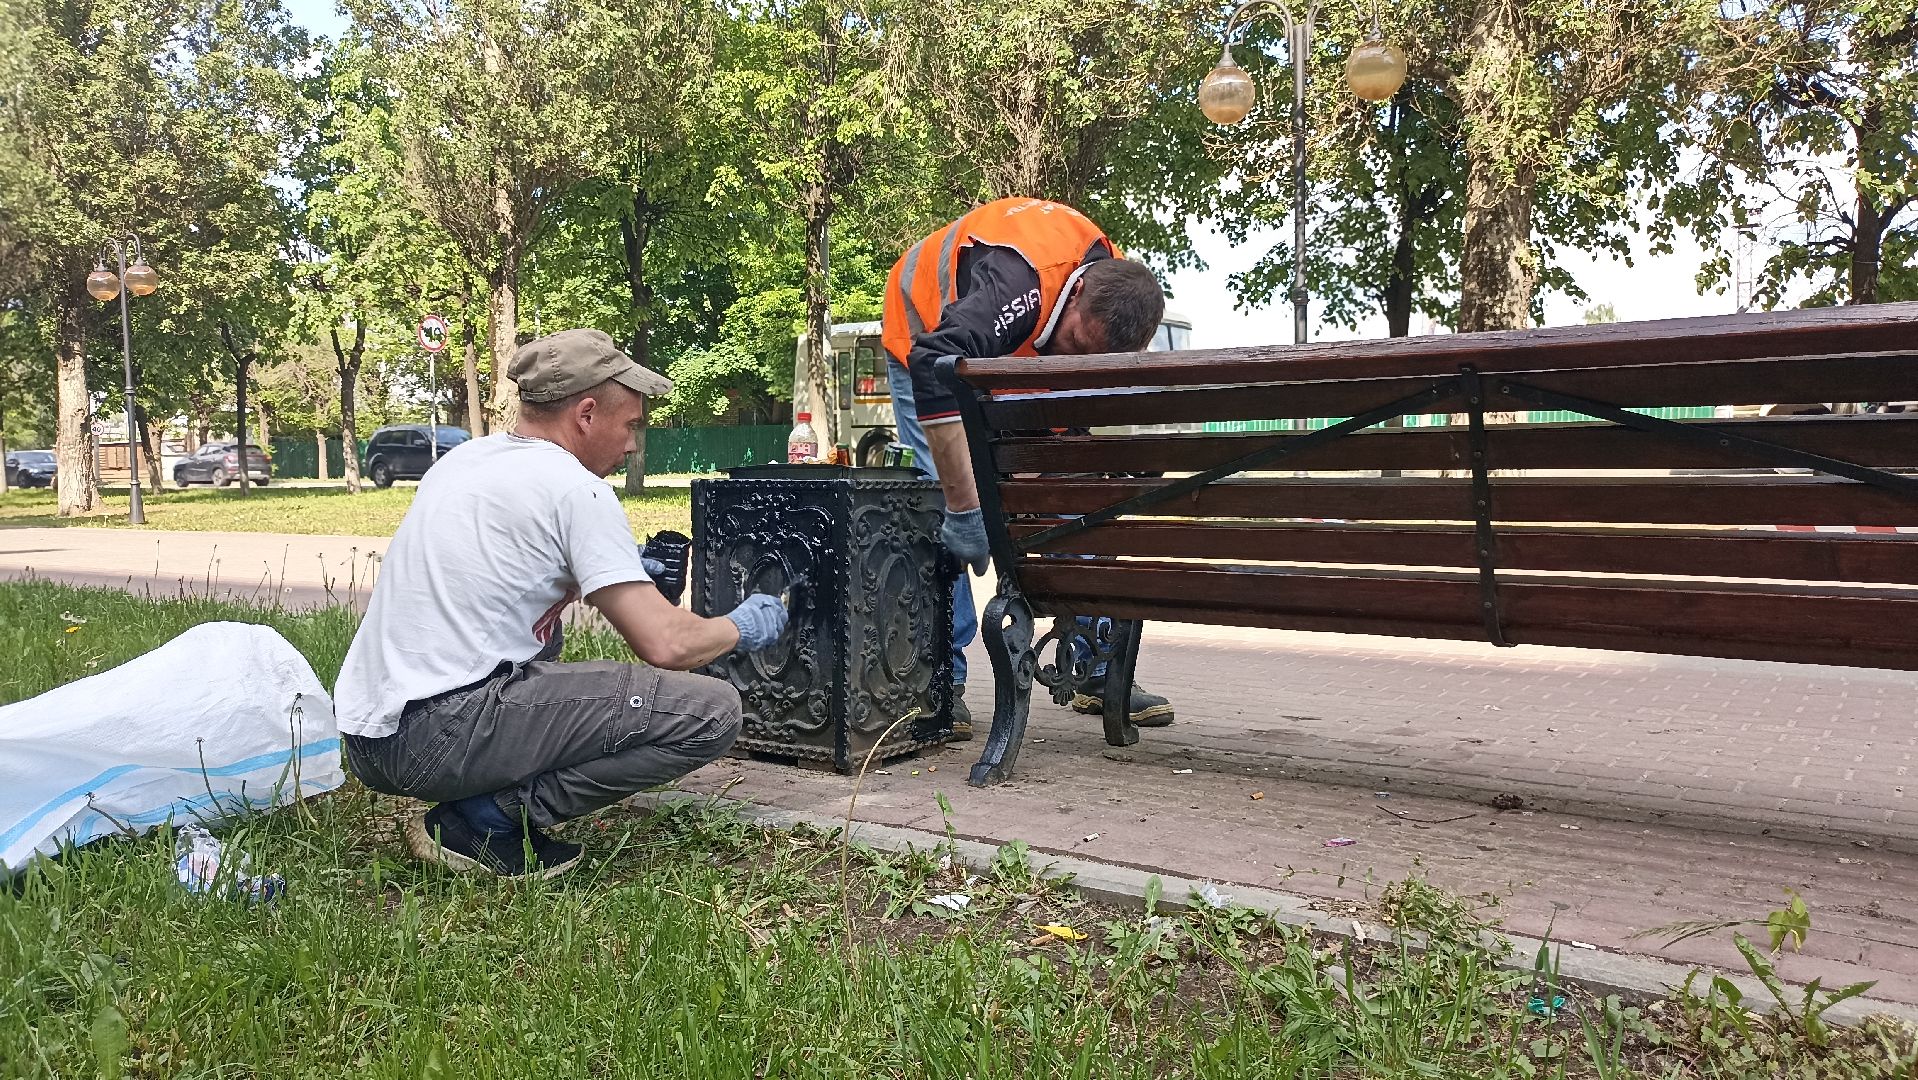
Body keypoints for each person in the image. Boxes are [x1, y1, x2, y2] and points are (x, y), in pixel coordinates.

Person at [334, 328, 789, 879]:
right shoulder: (576, 489)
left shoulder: (466, 461)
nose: (631, 445)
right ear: (588, 413)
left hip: (370, 737)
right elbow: (667, 645)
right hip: (436, 737)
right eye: (630, 425)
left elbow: (508, 574)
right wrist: (743, 626)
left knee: (548, 639)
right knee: (712, 713)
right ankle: (483, 820)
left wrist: (616, 571)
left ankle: (480, 797)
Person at [882, 197, 1174, 739]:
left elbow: (1080, 388)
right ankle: (942, 681)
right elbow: (933, 364)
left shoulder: (1118, 293)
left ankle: (1092, 670)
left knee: (1079, 497)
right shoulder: (1018, 284)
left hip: (1012, 355)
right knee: (937, 505)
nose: (1071, 357)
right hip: (922, 342)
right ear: (1078, 289)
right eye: (1071, 343)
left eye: (1086, 360)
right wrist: (966, 507)